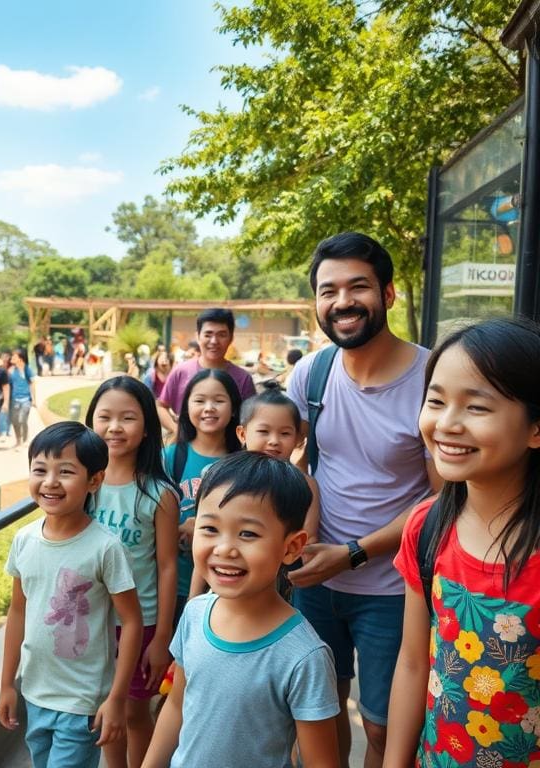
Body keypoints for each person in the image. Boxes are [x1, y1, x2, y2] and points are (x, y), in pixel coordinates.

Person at [285, 232, 440, 766]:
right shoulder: (312, 373)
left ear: (389, 293)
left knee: (381, 728)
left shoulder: (430, 379)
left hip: (393, 589)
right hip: (314, 582)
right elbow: (290, 465)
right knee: (319, 725)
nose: (343, 302)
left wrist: (353, 551)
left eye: (358, 286)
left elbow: (442, 503)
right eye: (329, 291)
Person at [385, 317, 540, 767]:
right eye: (436, 401)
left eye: (476, 407)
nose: (447, 423)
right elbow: (414, 661)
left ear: (535, 428)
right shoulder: (426, 526)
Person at [142, 452, 341, 768]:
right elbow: (177, 706)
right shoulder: (194, 615)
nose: (224, 549)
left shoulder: (304, 656)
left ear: (291, 547)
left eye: (247, 533)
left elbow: (321, 762)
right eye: (209, 529)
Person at [0, 422, 143, 768]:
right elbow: (18, 613)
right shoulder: (24, 540)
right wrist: (6, 684)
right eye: (40, 470)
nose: (50, 482)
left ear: (94, 481)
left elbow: (133, 622)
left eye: (65, 472)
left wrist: (117, 698)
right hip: (35, 692)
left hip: (83, 701)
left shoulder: (105, 548)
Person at [85, 378, 180, 768]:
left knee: (136, 713)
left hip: (137, 625)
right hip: (92, 621)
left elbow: (167, 566)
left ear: (146, 429)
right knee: (105, 707)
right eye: (104, 417)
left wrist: (162, 636)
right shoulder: (84, 485)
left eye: (127, 418)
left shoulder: (159, 494)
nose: (114, 427)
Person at [164, 368, 242, 616]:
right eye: (199, 400)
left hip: (224, 588)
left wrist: (200, 526)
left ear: (233, 409)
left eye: (219, 400)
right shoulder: (171, 457)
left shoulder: (244, 463)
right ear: (186, 407)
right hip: (172, 586)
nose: (209, 407)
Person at [238, 383, 320, 545]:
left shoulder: (305, 485)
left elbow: (308, 538)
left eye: (285, 433)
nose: (274, 441)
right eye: (263, 432)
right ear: (242, 434)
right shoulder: (227, 477)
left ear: (298, 439)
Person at [157, 309, 256, 435]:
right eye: (208, 335)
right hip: (186, 448)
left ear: (231, 338)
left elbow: (252, 418)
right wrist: (177, 431)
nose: (214, 341)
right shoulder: (181, 371)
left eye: (221, 335)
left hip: (230, 451)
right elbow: (161, 406)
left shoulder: (243, 378)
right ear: (198, 336)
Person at [9, 348, 37, 447]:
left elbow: (32, 384)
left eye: (14, 357)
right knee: (15, 421)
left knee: (22, 420)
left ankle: (25, 440)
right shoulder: (11, 370)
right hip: (14, 400)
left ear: (20, 359)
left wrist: (34, 399)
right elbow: (7, 386)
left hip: (26, 400)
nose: (11, 358)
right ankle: (18, 440)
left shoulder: (27, 369)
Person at [0, 352, 13, 444]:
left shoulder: (11, 370)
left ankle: (5, 431)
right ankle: (2, 431)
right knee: (1, 413)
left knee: (7, 413)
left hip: (10, 395)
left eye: (6, 358)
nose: (4, 360)